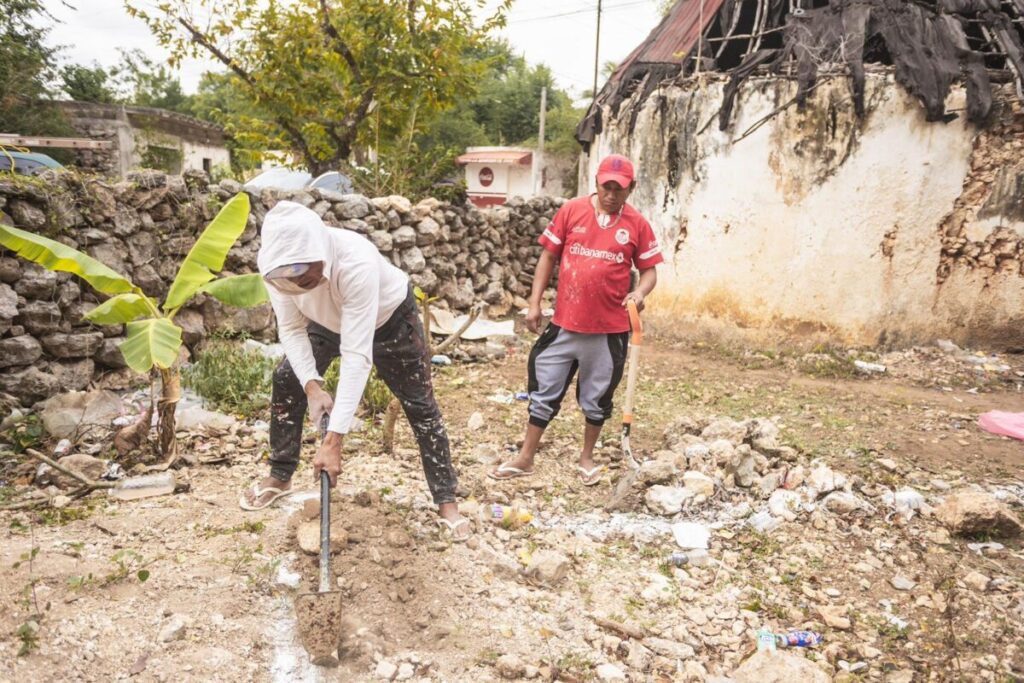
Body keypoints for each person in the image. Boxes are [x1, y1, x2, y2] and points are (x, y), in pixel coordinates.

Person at [242, 201, 469, 541]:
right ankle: (280, 474)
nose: (299, 283)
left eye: (304, 272)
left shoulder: (355, 261)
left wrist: (333, 440)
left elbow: (356, 356)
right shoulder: (277, 270)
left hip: (389, 321)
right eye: (291, 278)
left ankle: (446, 500)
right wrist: (312, 387)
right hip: (325, 322)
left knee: (420, 404)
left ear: (320, 250)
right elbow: (290, 329)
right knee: (287, 378)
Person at [489, 154, 662, 486]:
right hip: (565, 324)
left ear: (631, 188)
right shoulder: (571, 211)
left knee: (598, 396)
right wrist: (534, 303)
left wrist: (639, 293)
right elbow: (548, 256)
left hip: (609, 330)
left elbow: (650, 271)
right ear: (595, 183)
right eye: (606, 187)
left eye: (619, 189)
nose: (611, 194)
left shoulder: (637, 224)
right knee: (544, 387)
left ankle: (586, 458)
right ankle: (525, 457)